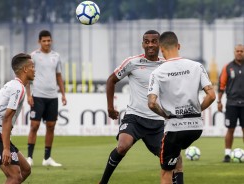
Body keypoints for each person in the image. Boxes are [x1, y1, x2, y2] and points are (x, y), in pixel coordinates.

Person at [99, 30, 183, 184]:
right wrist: (110, 107)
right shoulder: (132, 62)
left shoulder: (167, 65)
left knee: (175, 159)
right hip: (135, 118)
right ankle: (102, 182)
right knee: (123, 146)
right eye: (147, 41)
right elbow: (111, 80)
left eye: (154, 41)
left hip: (158, 123)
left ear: (160, 44)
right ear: (143, 44)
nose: (150, 44)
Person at [147, 31, 216, 184]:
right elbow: (211, 95)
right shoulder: (197, 66)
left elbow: (151, 103)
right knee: (177, 159)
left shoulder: (157, 72)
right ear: (178, 46)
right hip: (195, 128)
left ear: (161, 48)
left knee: (166, 172)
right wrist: (197, 111)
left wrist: (164, 114)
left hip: (174, 128)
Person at [0, 53, 35, 183]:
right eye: (32, 66)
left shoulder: (13, 84)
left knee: (26, 169)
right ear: (25, 69)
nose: (35, 70)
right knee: (15, 176)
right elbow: (7, 118)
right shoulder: (18, 88)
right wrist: (6, 148)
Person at [26, 30, 67, 167]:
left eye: (49, 40)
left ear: (51, 41)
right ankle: (29, 157)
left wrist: (63, 94)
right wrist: (28, 94)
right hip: (37, 95)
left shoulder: (56, 56)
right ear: (39, 42)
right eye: (44, 41)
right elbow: (27, 76)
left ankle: (47, 158)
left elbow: (59, 76)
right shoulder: (34, 56)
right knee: (34, 125)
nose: (47, 43)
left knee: (51, 126)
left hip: (52, 96)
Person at [217, 44, 244, 162]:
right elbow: (221, 86)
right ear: (234, 52)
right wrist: (219, 101)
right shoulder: (228, 67)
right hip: (231, 103)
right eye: (237, 51)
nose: (239, 53)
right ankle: (227, 154)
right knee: (230, 129)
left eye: (241, 51)